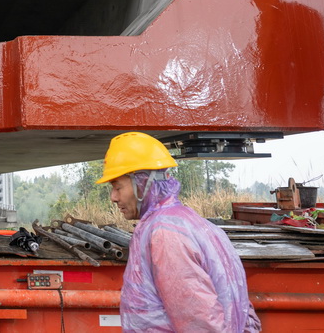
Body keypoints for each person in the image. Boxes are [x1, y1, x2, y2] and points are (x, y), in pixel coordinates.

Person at [98, 132, 261, 332]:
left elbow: (198, 320)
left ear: (142, 183)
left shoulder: (165, 234)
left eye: (117, 187)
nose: (113, 197)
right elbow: (243, 311)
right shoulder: (192, 222)